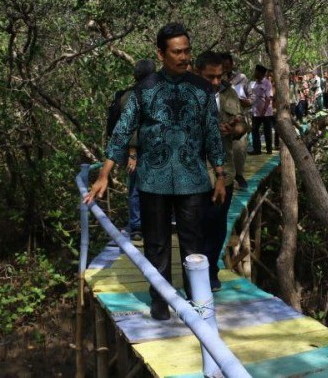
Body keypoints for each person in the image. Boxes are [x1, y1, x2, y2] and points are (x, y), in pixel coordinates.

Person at [84, 23, 226, 321]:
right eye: (177, 52)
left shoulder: (201, 89)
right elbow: (122, 132)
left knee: (193, 243)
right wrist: (104, 174)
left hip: (191, 180)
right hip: (153, 179)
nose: (184, 57)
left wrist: (221, 175)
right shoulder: (144, 91)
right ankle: (160, 301)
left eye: (187, 50)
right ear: (161, 53)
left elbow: (212, 133)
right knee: (156, 243)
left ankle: (197, 302)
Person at [195, 51, 247, 292]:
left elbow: (243, 124)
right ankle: (196, 274)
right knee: (196, 226)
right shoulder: (186, 96)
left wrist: (236, 129)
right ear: (198, 73)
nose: (216, 82)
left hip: (223, 172)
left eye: (220, 76)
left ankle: (211, 271)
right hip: (194, 174)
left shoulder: (230, 94)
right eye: (210, 77)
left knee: (217, 226)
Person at [109, 59, 156, 241]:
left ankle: (140, 226)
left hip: (145, 150)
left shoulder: (130, 94)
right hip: (139, 151)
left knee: (139, 188)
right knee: (139, 187)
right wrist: (132, 154)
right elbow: (131, 128)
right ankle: (139, 226)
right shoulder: (134, 95)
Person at [221, 52, 251, 189]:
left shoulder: (241, 78)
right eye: (223, 67)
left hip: (239, 117)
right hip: (221, 121)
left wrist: (243, 101)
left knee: (239, 148)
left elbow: (252, 99)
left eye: (228, 66)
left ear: (232, 65)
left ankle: (238, 174)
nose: (225, 69)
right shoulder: (213, 80)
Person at [250, 64, 273, 154]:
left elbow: (268, 98)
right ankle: (257, 150)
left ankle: (269, 149)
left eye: (256, 71)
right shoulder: (255, 83)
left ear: (261, 73)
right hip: (256, 112)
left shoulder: (267, 83)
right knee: (254, 130)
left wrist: (263, 110)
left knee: (267, 131)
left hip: (265, 112)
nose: (255, 73)